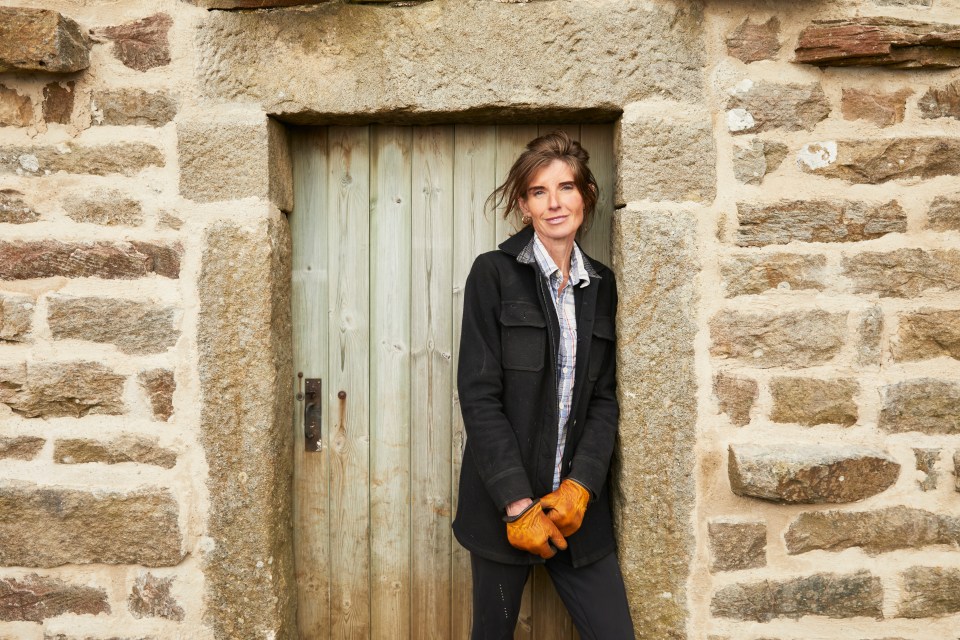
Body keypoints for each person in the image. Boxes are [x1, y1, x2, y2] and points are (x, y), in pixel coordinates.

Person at [453, 131, 634, 639]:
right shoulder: (493, 275)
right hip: (505, 511)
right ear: (523, 204)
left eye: (566, 188)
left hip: (575, 513)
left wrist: (582, 486)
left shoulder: (602, 285)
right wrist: (516, 502)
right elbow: (479, 397)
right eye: (539, 191)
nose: (555, 203)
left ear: (586, 196)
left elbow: (604, 399)